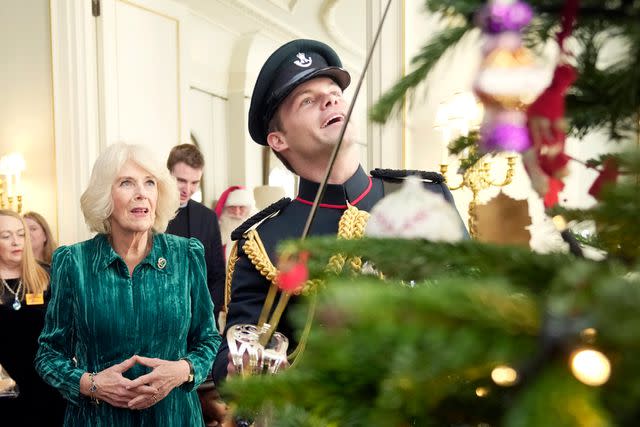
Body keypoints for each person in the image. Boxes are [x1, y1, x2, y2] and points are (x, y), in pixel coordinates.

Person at [212, 39, 467, 383]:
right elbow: (237, 356)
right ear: (278, 140)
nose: (330, 100)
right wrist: (239, 369)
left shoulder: (425, 196)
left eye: (333, 92)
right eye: (308, 101)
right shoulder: (262, 243)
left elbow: (475, 302)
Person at [35, 143, 220, 426]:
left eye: (149, 183)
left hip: (175, 416)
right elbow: (48, 355)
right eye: (126, 183)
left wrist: (183, 370)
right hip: (97, 418)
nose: (141, 194)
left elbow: (208, 339)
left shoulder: (186, 255)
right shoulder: (74, 262)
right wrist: (91, 384)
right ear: (104, 196)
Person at [0, 209, 65, 426]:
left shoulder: (48, 275)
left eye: (21, 234)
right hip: (6, 390)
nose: (15, 241)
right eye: (6, 236)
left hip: (50, 384)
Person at [165, 144, 226, 328]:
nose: (188, 189)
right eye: (181, 180)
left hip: (199, 322)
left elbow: (217, 275)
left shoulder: (208, 217)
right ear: (167, 174)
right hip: (160, 320)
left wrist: (206, 313)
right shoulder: (148, 213)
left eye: (195, 182)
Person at [214, 186, 254, 262]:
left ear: (249, 208)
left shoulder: (258, 226)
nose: (237, 212)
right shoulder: (218, 227)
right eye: (232, 207)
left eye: (241, 207)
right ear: (225, 208)